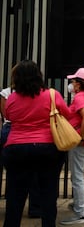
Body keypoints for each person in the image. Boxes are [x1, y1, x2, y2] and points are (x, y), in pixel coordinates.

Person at [2, 60, 70, 227]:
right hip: (47, 146)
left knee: (15, 195)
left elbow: (9, 116)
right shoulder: (51, 95)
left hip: (16, 147)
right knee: (48, 193)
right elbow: (66, 113)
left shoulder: (11, 98)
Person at [60, 68, 84, 225]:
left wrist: (80, 137)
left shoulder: (79, 98)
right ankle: (77, 203)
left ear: (79, 84)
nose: (71, 84)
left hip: (82, 142)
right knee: (77, 174)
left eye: (73, 81)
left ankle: (80, 213)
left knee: (76, 177)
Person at [1, 86, 42, 219]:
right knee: (35, 172)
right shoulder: (41, 93)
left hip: (12, 131)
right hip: (35, 132)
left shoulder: (8, 94)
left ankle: (12, 212)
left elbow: (7, 115)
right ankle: (35, 208)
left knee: (14, 174)